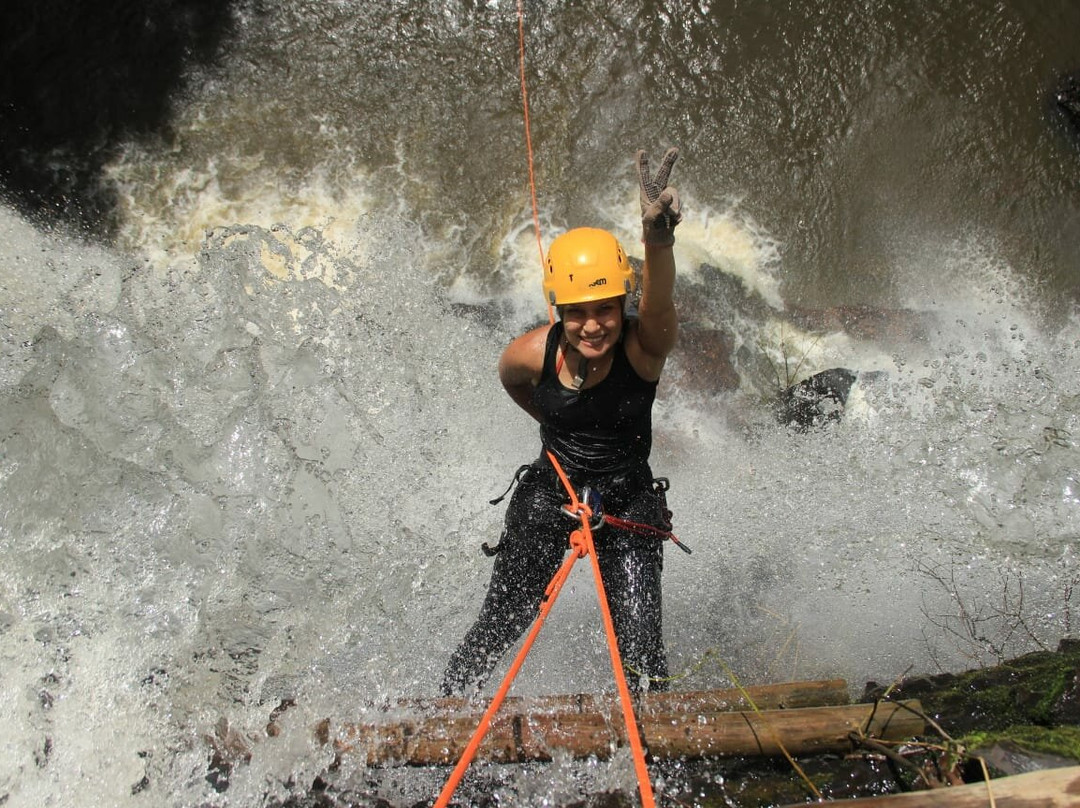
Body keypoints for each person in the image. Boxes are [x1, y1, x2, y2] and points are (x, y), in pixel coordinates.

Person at [441, 147, 682, 696]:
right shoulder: (531, 354)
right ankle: (449, 704)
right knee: (496, 628)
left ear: (624, 305)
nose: (593, 326)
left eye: (605, 310)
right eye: (577, 312)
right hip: (550, 496)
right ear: (558, 310)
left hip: (627, 506)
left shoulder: (644, 350)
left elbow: (663, 308)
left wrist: (659, 241)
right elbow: (511, 381)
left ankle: (650, 749)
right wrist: (553, 433)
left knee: (644, 660)